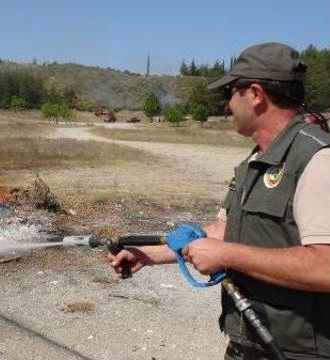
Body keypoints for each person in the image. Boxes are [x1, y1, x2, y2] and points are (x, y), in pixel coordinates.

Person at [109, 43, 330, 359]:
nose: (227, 104)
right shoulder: (256, 160)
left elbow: (326, 267)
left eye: (231, 92)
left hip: (298, 351)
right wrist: (150, 255)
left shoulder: (316, 159)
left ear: (255, 94)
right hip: (248, 343)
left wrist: (228, 256)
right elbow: (221, 230)